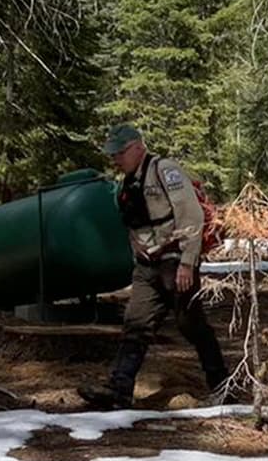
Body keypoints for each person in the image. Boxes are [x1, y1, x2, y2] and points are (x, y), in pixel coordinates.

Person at [78, 125, 229, 409]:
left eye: (120, 152)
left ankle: (223, 385)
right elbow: (132, 221)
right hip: (147, 267)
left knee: (191, 325)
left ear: (138, 147)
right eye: (113, 154)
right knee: (136, 323)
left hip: (175, 263)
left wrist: (187, 262)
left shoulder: (164, 170)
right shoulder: (126, 182)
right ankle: (119, 388)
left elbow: (191, 215)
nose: (115, 159)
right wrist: (134, 243)